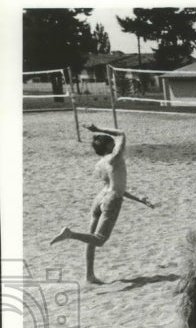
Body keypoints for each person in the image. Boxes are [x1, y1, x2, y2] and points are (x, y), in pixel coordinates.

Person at [50, 122, 156, 284]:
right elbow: (121, 133)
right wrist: (98, 129)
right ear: (108, 146)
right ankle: (70, 234)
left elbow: (114, 186)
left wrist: (138, 199)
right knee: (99, 239)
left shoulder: (99, 164)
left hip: (99, 198)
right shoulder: (115, 157)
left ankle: (89, 276)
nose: (115, 143)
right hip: (111, 201)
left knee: (91, 239)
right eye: (111, 142)